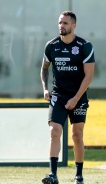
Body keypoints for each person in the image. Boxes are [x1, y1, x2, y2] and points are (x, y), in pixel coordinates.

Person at [40, 11, 95, 184]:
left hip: (78, 97)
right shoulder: (51, 45)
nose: (61, 26)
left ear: (73, 26)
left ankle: (78, 175)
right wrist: (45, 89)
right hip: (58, 96)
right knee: (54, 131)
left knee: (77, 135)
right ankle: (52, 174)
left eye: (65, 23)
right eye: (59, 23)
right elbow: (44, 68)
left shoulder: (85, 46)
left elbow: (89, 76)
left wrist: (76, 98)